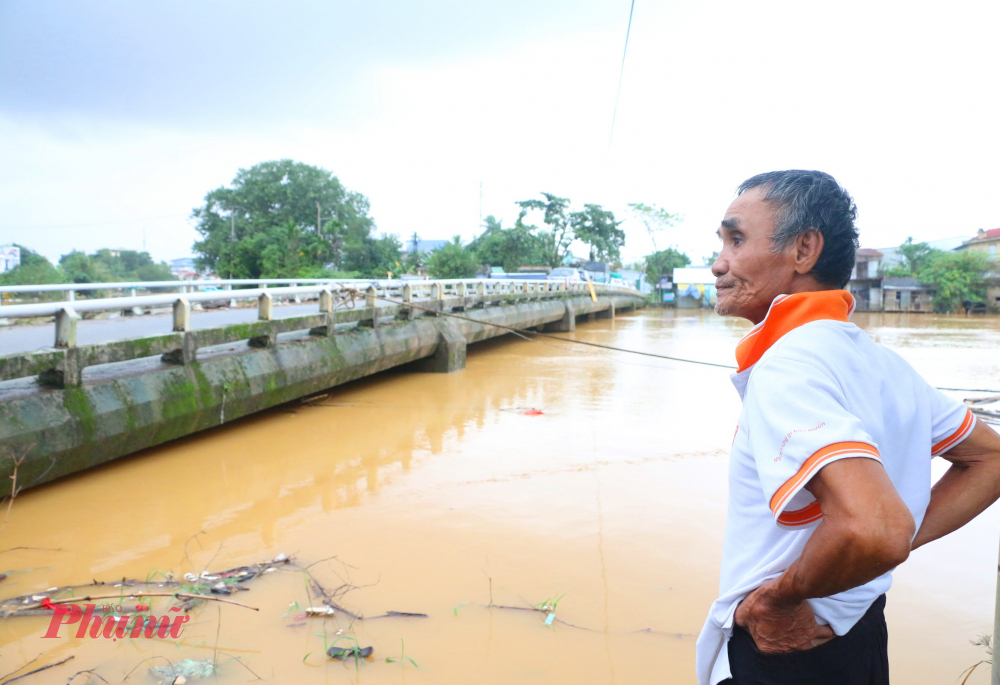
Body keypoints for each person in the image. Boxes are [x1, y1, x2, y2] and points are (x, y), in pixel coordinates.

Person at [695, 170, 1000, 685]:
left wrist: (783, 596)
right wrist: (866, 567)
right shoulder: (881, 363)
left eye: (737, 239)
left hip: (783, 647)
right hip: (857, 632)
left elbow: (875, 528)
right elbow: (990, 458)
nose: (719, 262)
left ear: (804, 250)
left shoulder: (788, 366)